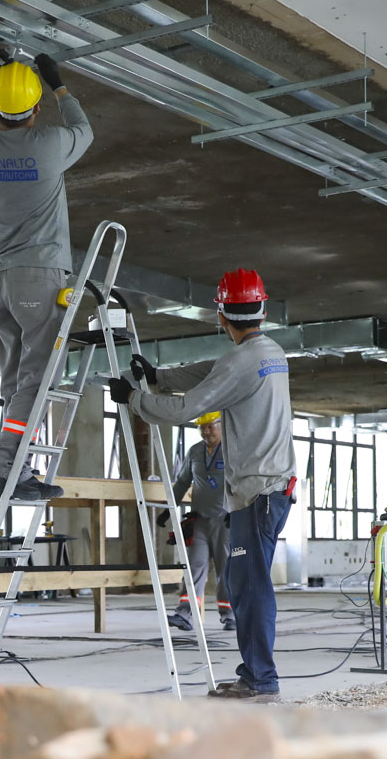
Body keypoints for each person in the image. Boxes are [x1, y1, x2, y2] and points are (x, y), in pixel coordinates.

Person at [111, 269, 294, 702]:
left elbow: (185, 409)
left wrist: (134, 398)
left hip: (257, 493)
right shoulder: (271, 352)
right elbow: (209, 374)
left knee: (250, 588)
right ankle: (255, 675)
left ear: (221, 315)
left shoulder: (240, 360)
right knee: (245, 582)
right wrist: (159, 376)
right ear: (262, 310)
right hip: (268, 489)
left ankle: (261, 680)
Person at [0, 48, 94, 503]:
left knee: (16, 382)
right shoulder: (50, 144)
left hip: (0, 280)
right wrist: (59, 84)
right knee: (35, 382)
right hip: (40, 277)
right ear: (37, 108)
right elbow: (85, 129)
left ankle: (18, 467)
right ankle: (2, 466)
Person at [162, 413, 233, 633]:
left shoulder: (233, 450)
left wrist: (238, 510)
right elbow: (183, 481)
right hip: (199, 521)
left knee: (226, 570)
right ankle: (185, 614)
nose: (206, 432)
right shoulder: (194, 451)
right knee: (193, 568)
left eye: (210, 427)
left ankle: (231, 615)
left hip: (226, 521)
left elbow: (242, 481)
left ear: (221, 426)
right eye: (202, 428)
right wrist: (169, 509)